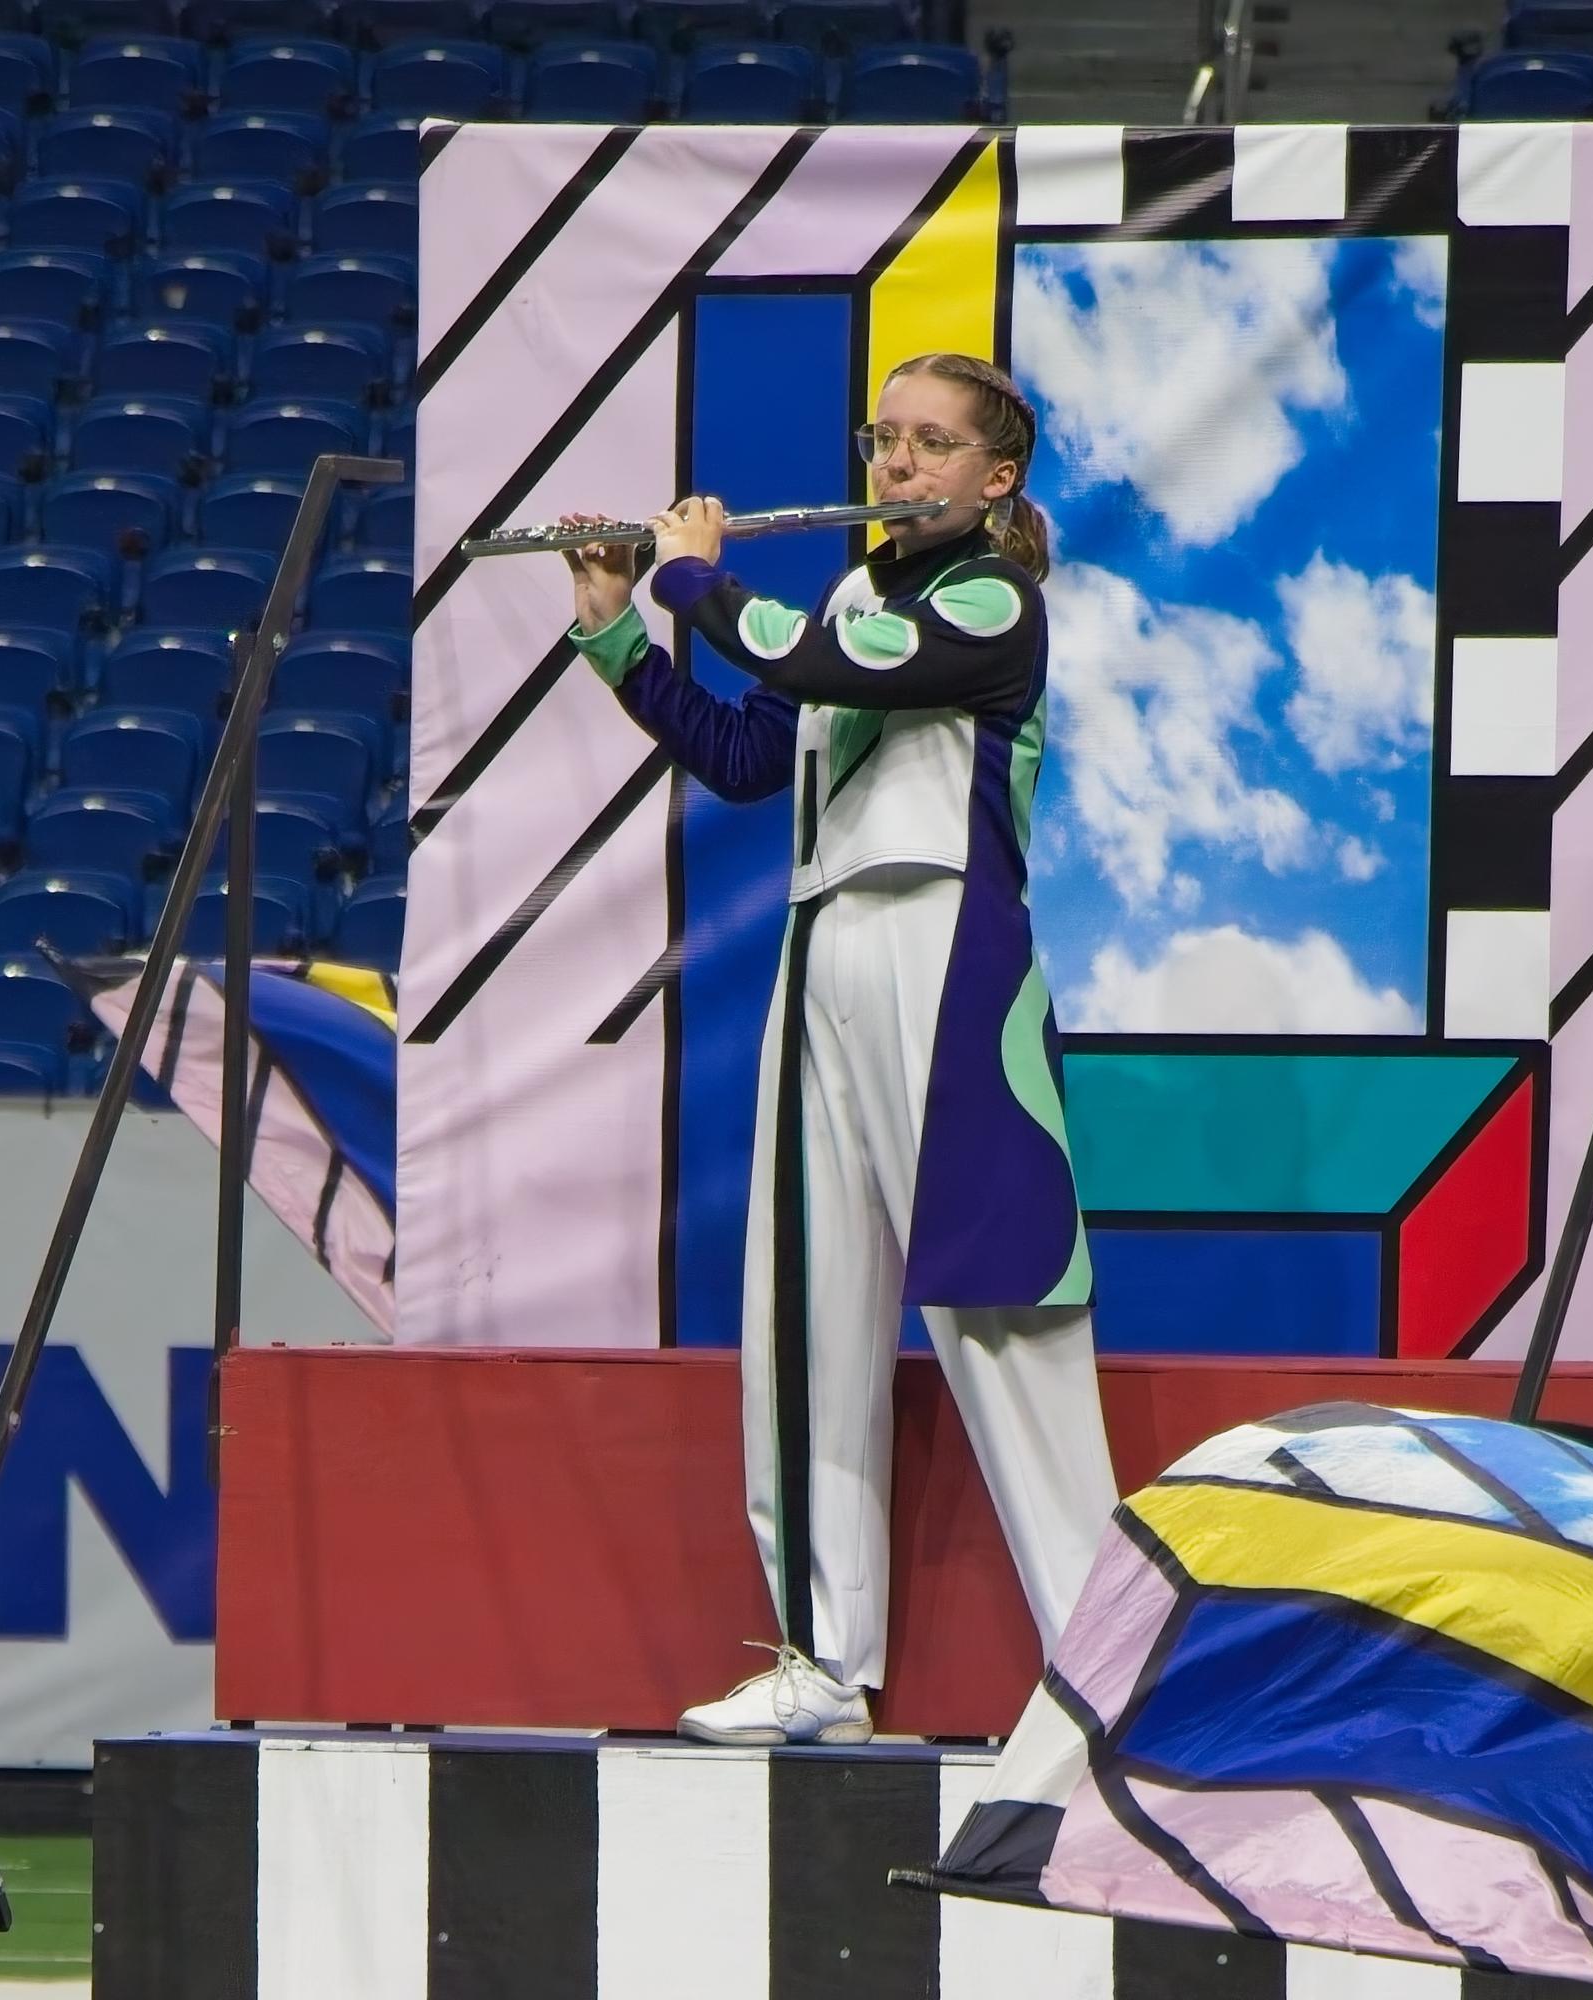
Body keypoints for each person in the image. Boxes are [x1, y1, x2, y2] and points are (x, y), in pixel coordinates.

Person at [560, 352, 1118, 1746]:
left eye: (931, 445)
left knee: (999, 1322)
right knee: (807, 1316)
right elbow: (753, 755)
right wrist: (622, 631)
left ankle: (1105, 1685)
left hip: (946, 953)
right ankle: (825, 1660)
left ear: (997, 479)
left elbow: (804, 662)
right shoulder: (858, 588)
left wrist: (694, 578)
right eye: (886, 438)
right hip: (827, 946)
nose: (898, 464)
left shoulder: (999, 601)